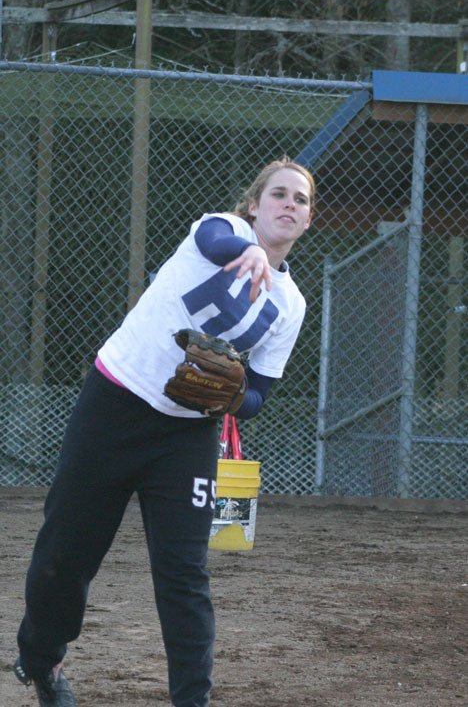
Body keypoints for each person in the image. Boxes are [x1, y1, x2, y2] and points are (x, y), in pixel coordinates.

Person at [13, 155, 315, 707]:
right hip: (114, 405)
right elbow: (224, 244)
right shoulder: (216, 231)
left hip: (186, 434)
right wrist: (247, 249)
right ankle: (43, 661)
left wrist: (230, 394)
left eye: (300, 199)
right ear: (254, 204)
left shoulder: (290, 305)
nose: (289, 205)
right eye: (278, 194)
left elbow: (256, 398)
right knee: (66, 554)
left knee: (184, 575)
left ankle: (192, 701)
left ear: (308, 219)